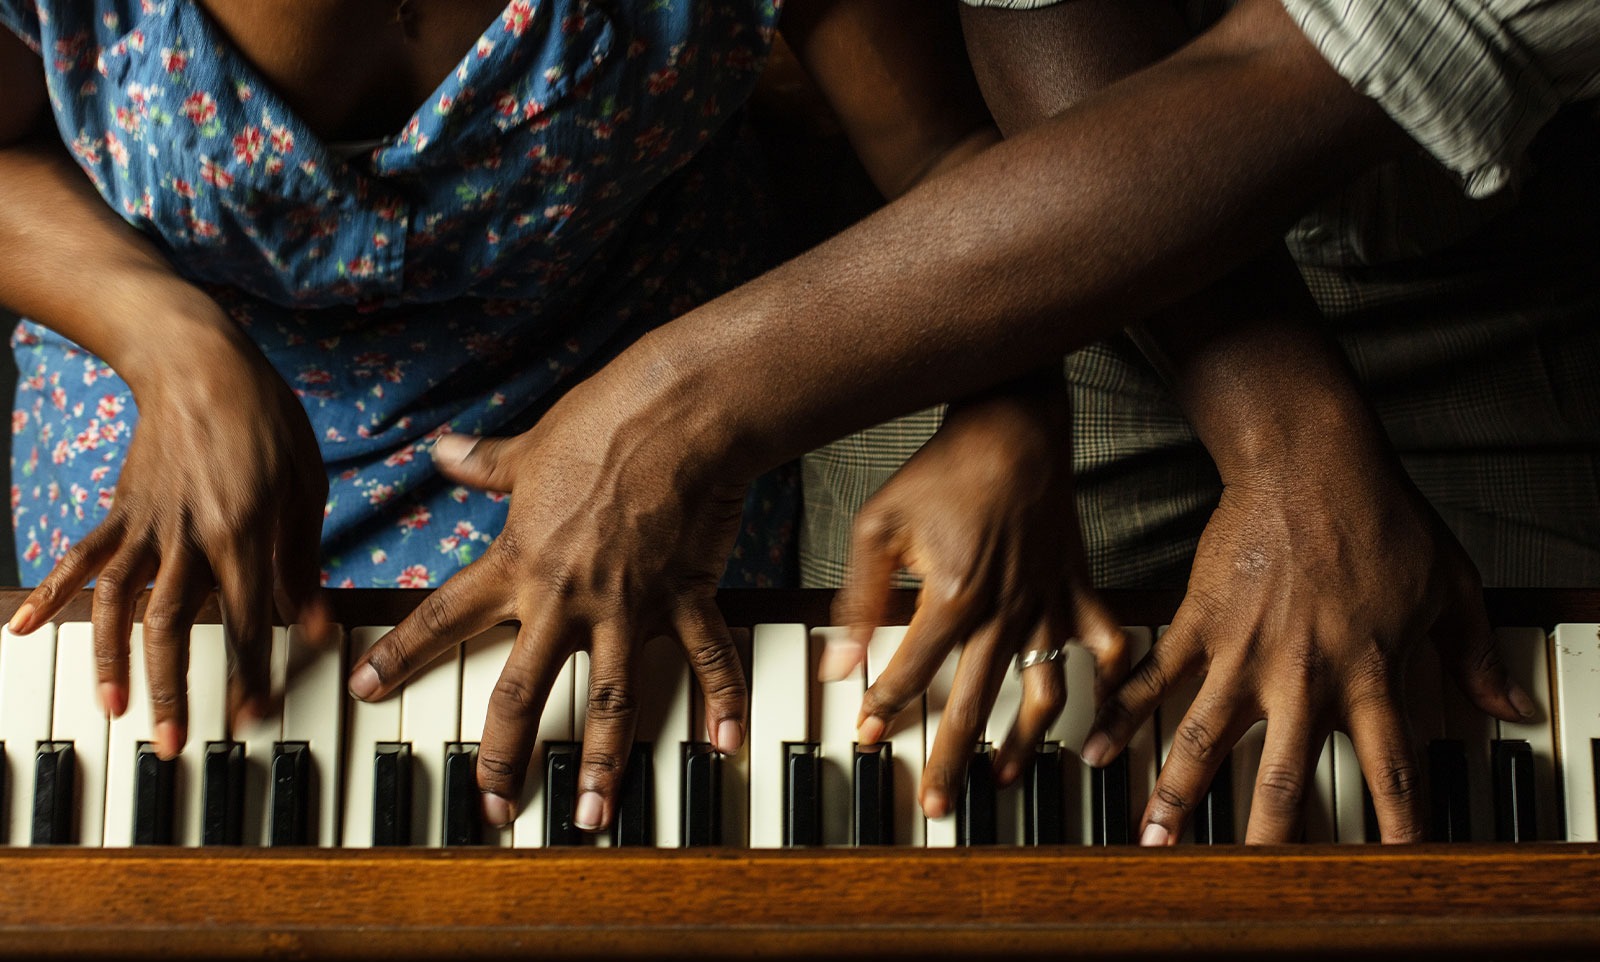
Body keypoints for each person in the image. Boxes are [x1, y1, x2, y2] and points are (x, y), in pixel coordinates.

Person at [331, 0, 1596, 844]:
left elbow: (1297, 70)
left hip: (1494, 238)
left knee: (1488, 764)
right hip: (1050, 195)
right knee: (910, 803)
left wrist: (668, 411)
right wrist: (1274, 439)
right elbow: (1037, 9)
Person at [2, 1, 1121, 834]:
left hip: (636, 406)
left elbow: (941, 152)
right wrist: (163, 340)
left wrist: (1012, 406)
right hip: (169, 393)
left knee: (616, 860)